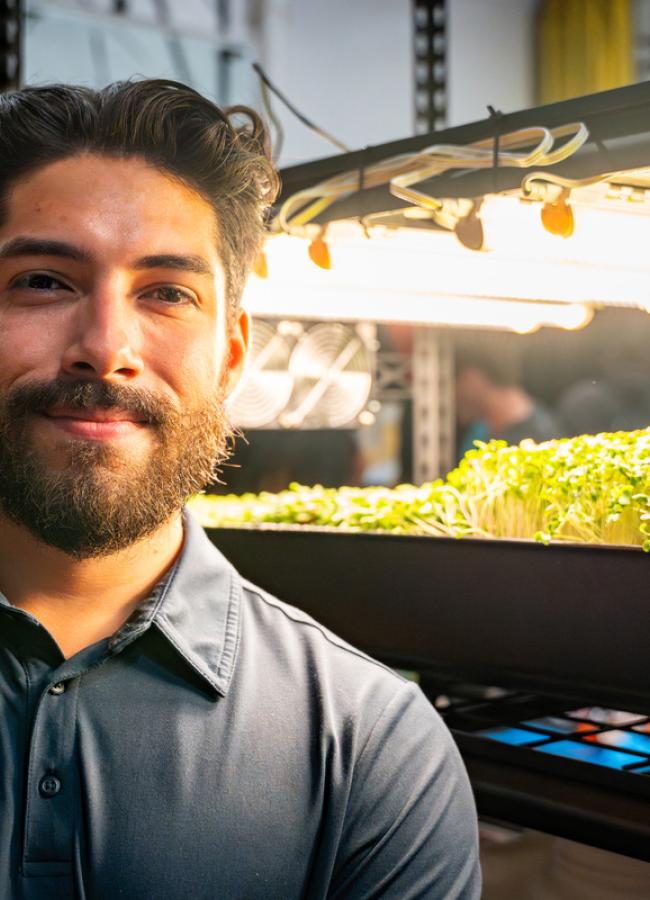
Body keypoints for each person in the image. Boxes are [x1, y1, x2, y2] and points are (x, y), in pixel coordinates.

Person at [0, 80, 480, 899]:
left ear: (230, 355)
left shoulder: (368, 746)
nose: (106, 348)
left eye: (167, 294)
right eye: (45, 280)